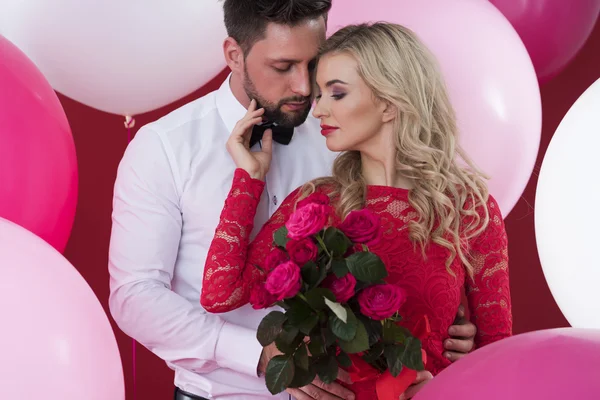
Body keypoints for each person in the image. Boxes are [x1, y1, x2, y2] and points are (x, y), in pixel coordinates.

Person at [108, 1, 478, 399]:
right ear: (234, 55)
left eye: (313, 64)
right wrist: (259, 354)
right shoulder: (164, 146)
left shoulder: (346, 133)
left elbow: (393, 259)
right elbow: (135, 296)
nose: (304, 87)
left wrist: (442, 332)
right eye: (283, 67)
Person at [199, 22, 513, 399]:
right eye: (319, 94)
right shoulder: (316, 204)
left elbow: (500, 359)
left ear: (389, 101)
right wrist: (249, 179)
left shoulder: (467, 211)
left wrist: (459, 370)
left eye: (336, 93)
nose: (318, 110)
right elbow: (220, 293)